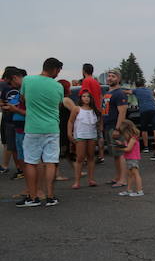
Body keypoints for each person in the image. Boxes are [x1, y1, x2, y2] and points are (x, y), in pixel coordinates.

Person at [17, 58, 64, 207]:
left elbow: (23, 99)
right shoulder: (58, 86)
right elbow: (58, 104)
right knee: (50, 162)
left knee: (30, 162)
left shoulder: (28, 80)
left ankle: (33, 197)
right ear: (55, 69)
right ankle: (50, 197)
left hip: (33, 128)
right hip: (52, 128)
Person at [67, 90, 100, 188]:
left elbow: (99, 121)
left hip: (92, 136)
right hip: (80, 136)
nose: (86, 98)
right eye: (84, 96)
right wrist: (69, 134)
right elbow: (70, 122)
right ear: (80, 98)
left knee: (91, 157)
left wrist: (99, 131)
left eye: (88, 96)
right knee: (80, 158)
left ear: (91, 98)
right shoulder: (77, 109)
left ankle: (91, 179)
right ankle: (77, 181)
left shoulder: (94, 110)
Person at [102, 70, 130, 184]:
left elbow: (122, 112)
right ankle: (117, 177)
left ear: (118, 79)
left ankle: (123, 179)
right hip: (108, 126)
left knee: (120, 153)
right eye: (108, 76)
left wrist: (118, 129)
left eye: (113, 76)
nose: (110, 78)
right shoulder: (108, 92)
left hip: (115, 127)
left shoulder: (119, 93)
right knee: (115, 154)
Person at [1, 66, 26, 177]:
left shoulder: (23, 89)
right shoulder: (8, 89)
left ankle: (23, 171)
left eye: (8, 80)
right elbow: (2, 102)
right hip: (12, 121)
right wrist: (4, 105)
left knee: (20, 148)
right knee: (14, 147)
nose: (8, 83)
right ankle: (21, 170)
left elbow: (17, 107)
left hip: (20, 122)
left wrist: (12, 108)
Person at [78, 63, 103, 158]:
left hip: (90, 110)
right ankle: (101, 155)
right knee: (99, 133)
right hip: (98, 110)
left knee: (86, 134)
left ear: (83, 71)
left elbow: (84, 94)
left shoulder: (86, 81)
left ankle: (85, 156)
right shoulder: (96, 82)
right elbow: (100, 96)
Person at [116, 120, 143, 197]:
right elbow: (127, 146)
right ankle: (129, 190)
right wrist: (121, 144)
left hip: (133, 158)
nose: (123, 135)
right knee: (130, 175)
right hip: (129, 158)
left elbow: (128, 149)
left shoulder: (133, 139)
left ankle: (139, 190)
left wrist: (119, 148)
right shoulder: (131, 138)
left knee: (135, 174)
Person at [133, 79, 155, 155]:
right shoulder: (149, 90)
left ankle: (146, 147)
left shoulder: (136, 90)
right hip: (154, 109)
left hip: (144, 110)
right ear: (143, 84)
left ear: (136, 85)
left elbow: (128, 92)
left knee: (144, 129)